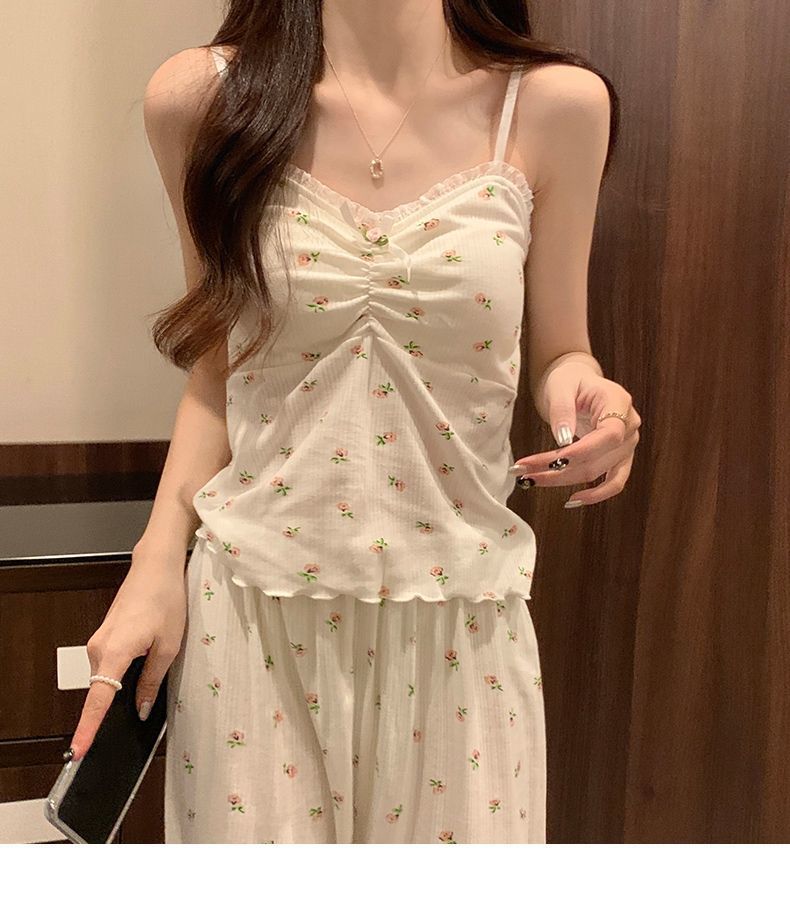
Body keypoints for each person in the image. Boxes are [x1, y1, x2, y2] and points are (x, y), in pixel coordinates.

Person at [67, 0, 641, 844]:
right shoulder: (200, 101)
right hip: (253, 617)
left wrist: (592, 396)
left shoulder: (555, 106)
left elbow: (562, 348)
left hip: (461, 615)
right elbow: (219, 366)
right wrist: (155, 562)